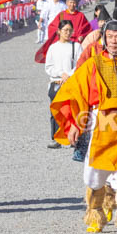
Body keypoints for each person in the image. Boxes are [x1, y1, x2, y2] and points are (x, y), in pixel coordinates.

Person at [50, 17, 117, 234]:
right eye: (110, 37)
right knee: (94, 175)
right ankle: (95, 213)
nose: (113, 41)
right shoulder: (92, 63)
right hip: (99, 121)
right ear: (103, 38)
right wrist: (75, 123)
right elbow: (76, 91)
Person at [44, 19, 82, 149]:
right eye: (65, 30)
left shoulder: (76, 46)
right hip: (56, 82)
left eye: (70, 30)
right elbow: (48, 67)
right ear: (59, 31)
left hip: (71, 83)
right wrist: (61, 74)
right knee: (56, 110)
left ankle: (73, 137)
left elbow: (80, 64)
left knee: (72, 111)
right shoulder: (53, 48)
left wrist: (69, 75)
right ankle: (55, 137)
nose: (67, 33)